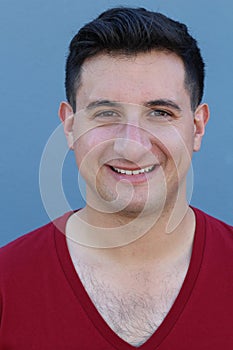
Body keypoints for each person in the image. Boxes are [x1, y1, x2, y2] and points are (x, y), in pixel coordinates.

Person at [0, 7, 232, 350]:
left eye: (160, 113)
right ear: (70, 125)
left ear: (197, 127)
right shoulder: (6, 285)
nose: (131, 146)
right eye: (106, 113)